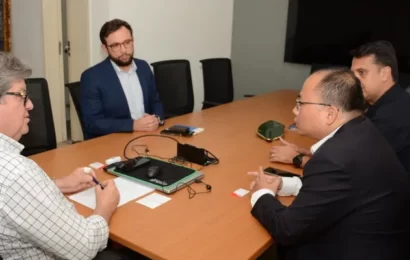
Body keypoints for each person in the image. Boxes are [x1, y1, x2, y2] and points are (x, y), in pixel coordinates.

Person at [249, 68, 410, 259]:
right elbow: (339, 189)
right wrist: (285, 184)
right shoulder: (362, 130)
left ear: (330, 114)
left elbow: (287, 229)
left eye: (300, 103)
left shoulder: (334, 157)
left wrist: (261, 193)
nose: (294, 110)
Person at [0, 52, 122, 259]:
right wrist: (105, 207)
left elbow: (12, 200)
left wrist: (59, 184)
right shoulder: (17, 174)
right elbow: (84, 246)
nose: (30, 104)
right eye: (22, 95)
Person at [270, 40, 410, 173]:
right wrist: (309, 152)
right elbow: (349, 150)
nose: (354, 80)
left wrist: (296, 158)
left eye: (362, 73)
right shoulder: (384, 103)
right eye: (352, 73)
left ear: (385, 73)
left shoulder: (393, 116)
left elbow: (351, 169)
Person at [81, 19, 164, 140]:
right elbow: (93, 123)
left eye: (127, 42)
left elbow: (156, 102)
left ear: (133, 40)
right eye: (115, 45)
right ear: (105, 48)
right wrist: (133, 125)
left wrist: (156, 119)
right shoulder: (92, 77)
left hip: (148, 136)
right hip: (113, 141)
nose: (124, 50)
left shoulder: (143, 67)